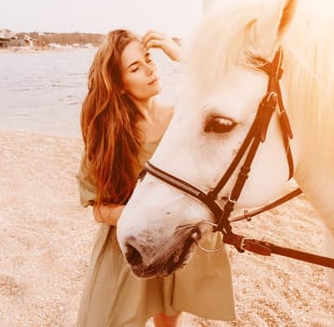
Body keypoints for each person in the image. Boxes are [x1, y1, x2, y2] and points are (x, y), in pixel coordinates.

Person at [75, 29, 236, 327]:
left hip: (174, 240)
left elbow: (229, 88)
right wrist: (142, 216)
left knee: (168, 322)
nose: (150, 70)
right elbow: (97, 207)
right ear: (120, 85)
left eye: (149, 59)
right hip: (128, 243)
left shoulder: (183, 120)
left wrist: (181, 56)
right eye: (135, 68)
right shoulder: (109, 136)